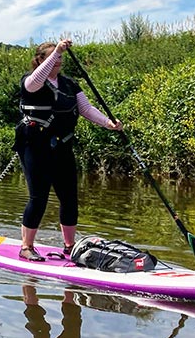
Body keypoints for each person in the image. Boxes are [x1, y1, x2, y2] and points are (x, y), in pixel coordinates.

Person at [13, 39, 122, 262]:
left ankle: (69, 246)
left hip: (62, 145)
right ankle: (26, 247)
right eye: (53, 57)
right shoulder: (31, 81)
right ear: (41, 59)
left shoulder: (70, 84)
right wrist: (57, 51)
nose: (58, 61)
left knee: (69, 197)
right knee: (39, 197)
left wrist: (108, 123)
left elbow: (86, 109)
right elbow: (34, 82)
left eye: (61, 57)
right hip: (34, 145)